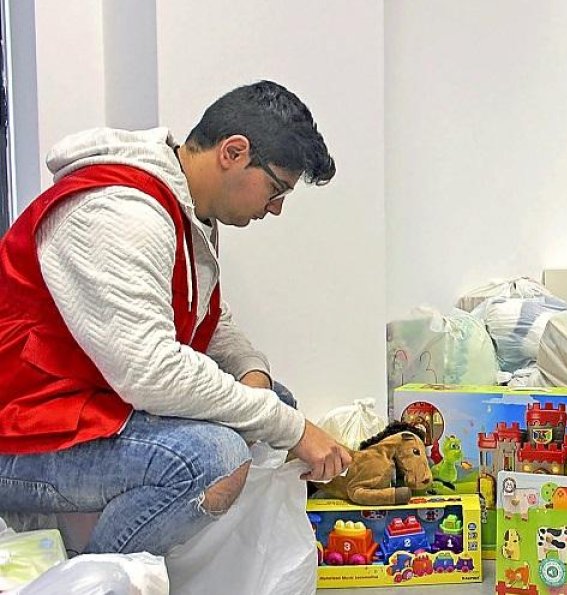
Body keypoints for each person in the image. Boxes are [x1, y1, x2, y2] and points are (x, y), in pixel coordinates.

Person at [0, 80, 353, 555]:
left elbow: (209, 318)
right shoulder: (121, 211)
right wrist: (286, 425)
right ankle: (96, 581)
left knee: (272, 399)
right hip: (21, 429)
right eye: (275, 188)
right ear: (233, 151)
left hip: (78, 404)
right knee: (209, 460)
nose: (275, 209)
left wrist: (253, 373)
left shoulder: (187, 209)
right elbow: (150, 372)